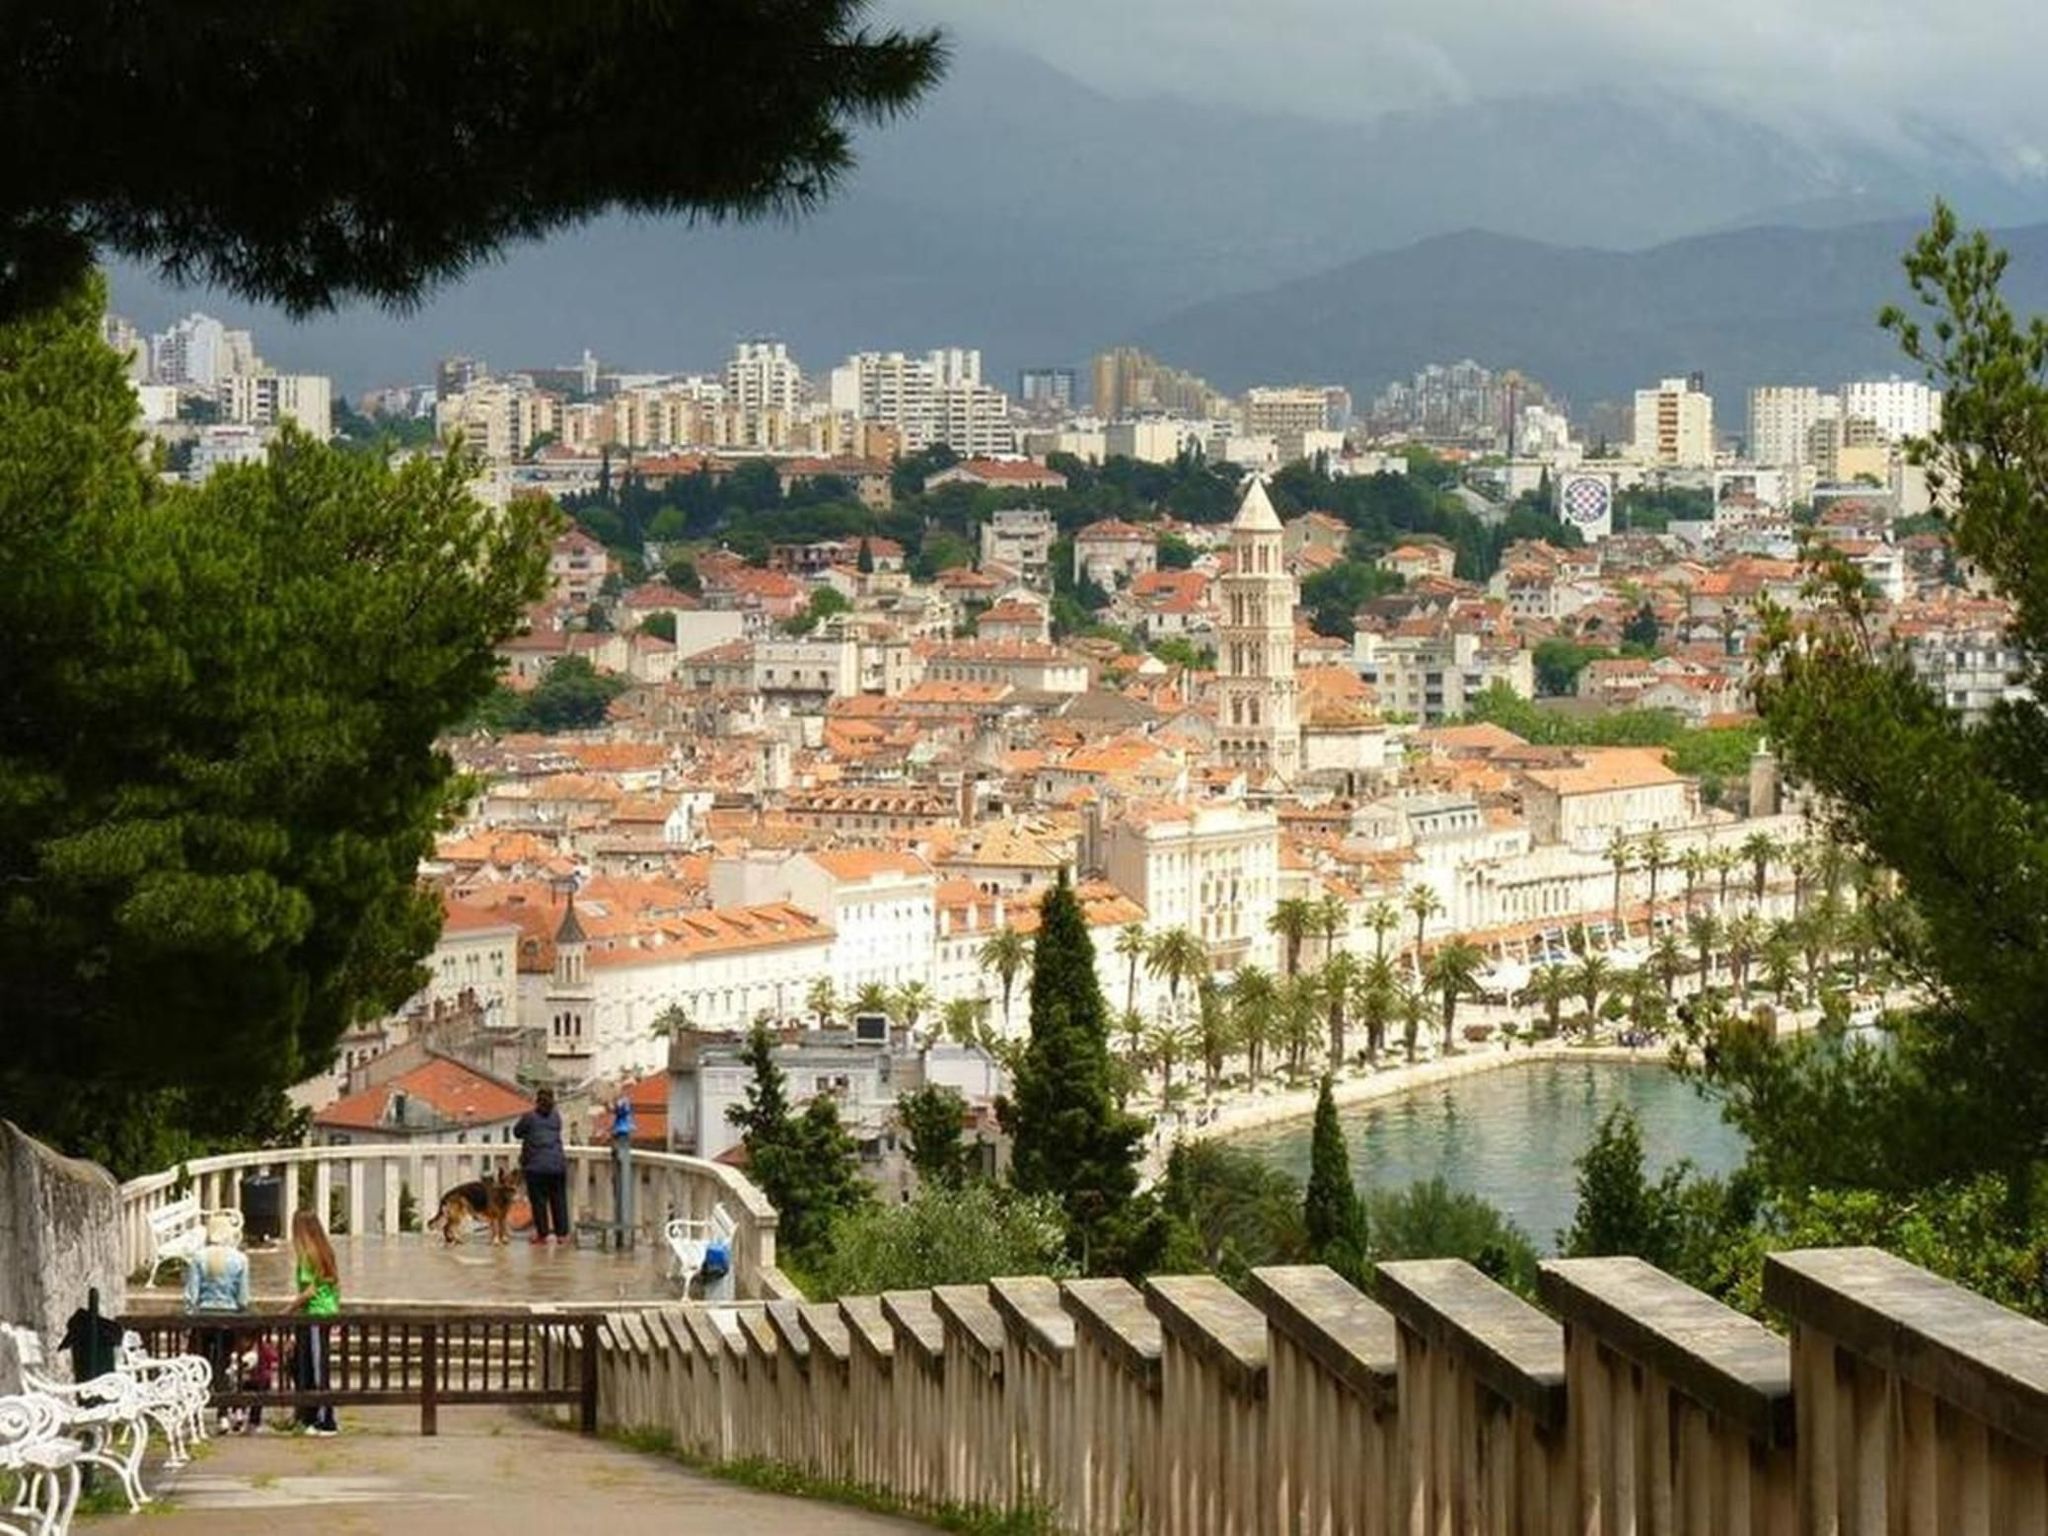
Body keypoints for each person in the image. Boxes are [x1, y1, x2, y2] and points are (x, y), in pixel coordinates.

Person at [182, 1212, 250, 1431]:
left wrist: (188, 1318)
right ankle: (224, 1412)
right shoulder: (239, 1259)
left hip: (203, 1318)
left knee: (201, 1366)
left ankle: (196, 1414)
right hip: (228, 1318)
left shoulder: (199, 1258)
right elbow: (243, 1298)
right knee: (222, 1364)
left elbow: (191, 1295)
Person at [289, 1210, 340, 1435]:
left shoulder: (308, 1255)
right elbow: (335, 1286)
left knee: (317, 1367)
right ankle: (309, 1415)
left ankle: (324, 1419)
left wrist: (290, 1308)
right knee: (308, 1363)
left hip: (315, 1314)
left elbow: (309, 1291)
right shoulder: (325, 1251)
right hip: (326, 1311)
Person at [515, 1086, 569, 1245]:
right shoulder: (556, 1117)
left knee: (539, 1201)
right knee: (558, 1199)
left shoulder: (529, 1117)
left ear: (537, 1100)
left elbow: (517, 1132)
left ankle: (542, 1234)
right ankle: (562, 1234)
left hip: (535, 1166)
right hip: (557, 1164)